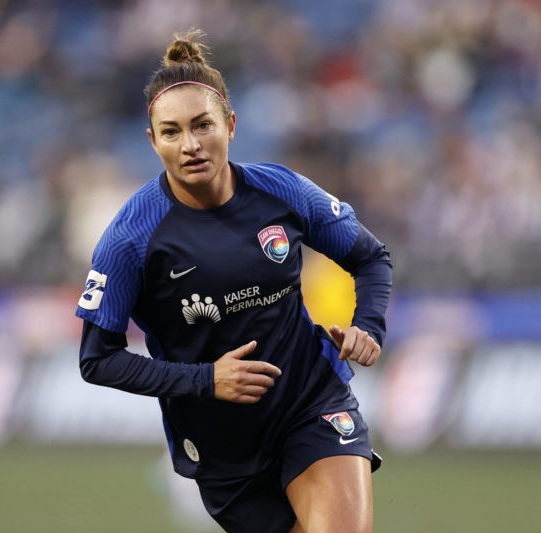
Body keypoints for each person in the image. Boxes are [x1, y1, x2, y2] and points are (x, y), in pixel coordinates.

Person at [76, 29, 392, 533]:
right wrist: (206, 380)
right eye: (173, 131)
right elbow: (97, 360)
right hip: (224, 452)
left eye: (204, 125)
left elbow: (371, 258)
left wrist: (368, 326)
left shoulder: (280, 191)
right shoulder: (131, 237)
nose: (191, 145)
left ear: (231, 125)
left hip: (312, 405)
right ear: (152, 140)